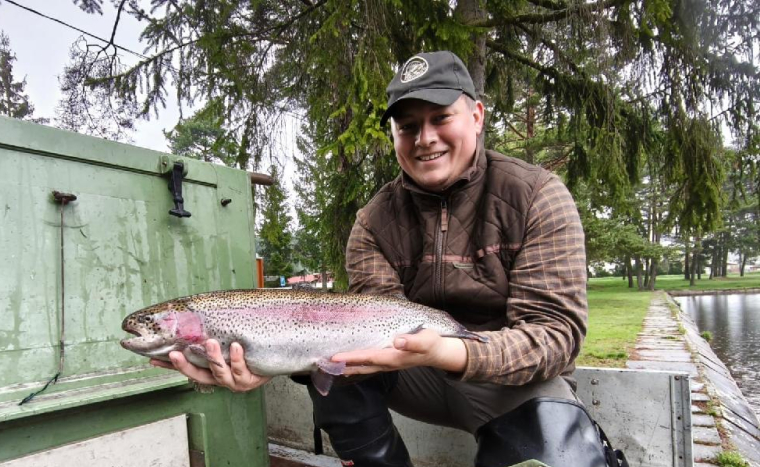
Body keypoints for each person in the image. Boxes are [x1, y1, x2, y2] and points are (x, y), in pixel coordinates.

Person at [152, 51, 624, 467]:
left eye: (441, 118)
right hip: (411, 372)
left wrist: (453, 350)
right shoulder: (374, 220)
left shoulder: (537, 195)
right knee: (338, 381)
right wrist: (264, 361)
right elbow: (361, 324)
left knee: (556, 450)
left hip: (513, 382)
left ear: (476, 116)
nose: (425, 139)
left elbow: (556, 336)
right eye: (408, 126)